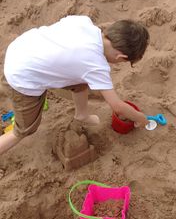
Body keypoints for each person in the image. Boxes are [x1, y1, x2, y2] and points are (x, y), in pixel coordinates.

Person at [0, 15, 150, 155]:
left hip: (21, 48)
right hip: (22, 75)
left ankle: (82, 115)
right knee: (23, 130)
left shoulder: (84, 22)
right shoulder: (96, 65)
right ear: (120, 57)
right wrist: (140, 118)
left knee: (81, 80)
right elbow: (117, 106)